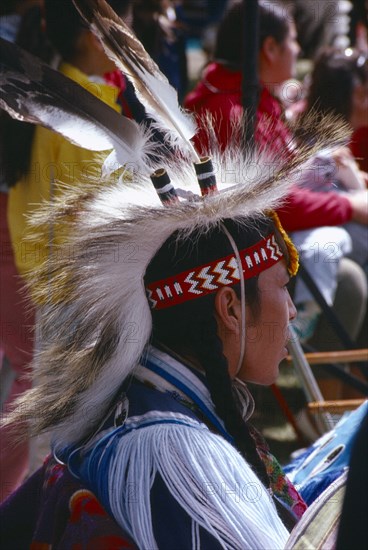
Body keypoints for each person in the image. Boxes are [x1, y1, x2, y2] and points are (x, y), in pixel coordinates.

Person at [0, 1, 361, 547]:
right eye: (282, 289)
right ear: (229, 306)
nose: (291, 311)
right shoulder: (174, 455)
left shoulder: (163, 408)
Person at [184, 0, 368, 358]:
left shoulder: (253, 99)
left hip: (270, 242)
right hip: (239, 256)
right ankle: (328, 395)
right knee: (349, 282)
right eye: (293, 40)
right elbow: (274, 203)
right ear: (269, 48)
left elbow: (284, 180)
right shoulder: (229, 111)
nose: (299, 50)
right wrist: (349, 206)